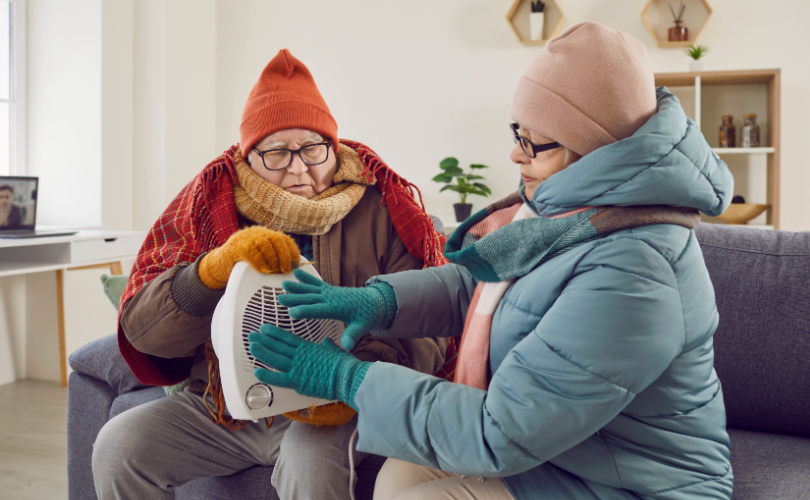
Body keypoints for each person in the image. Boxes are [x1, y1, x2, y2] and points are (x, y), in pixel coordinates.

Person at [248, 22, 735, 499]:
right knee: (399, 475)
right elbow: (477, 287)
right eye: (517, 131)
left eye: (532, 141)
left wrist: (347, 377)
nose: (514, 153)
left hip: (632, 481)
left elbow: (500, 430)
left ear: (590, 150)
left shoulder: (634, 269)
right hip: (569, 454)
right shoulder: (574, 213)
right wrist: (376, 301)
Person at [91, 49, 449, 500]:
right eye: (277, 151)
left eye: (313, 148)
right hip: (221, 407)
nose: (299, 167)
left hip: (330, 404)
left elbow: (428, 321)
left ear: (333, 147)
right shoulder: (210, 201)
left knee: (311, 466)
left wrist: (352, 377)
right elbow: (146, 332)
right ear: (248, 157)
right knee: (118, 446)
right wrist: (209, 272)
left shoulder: (384, 206)